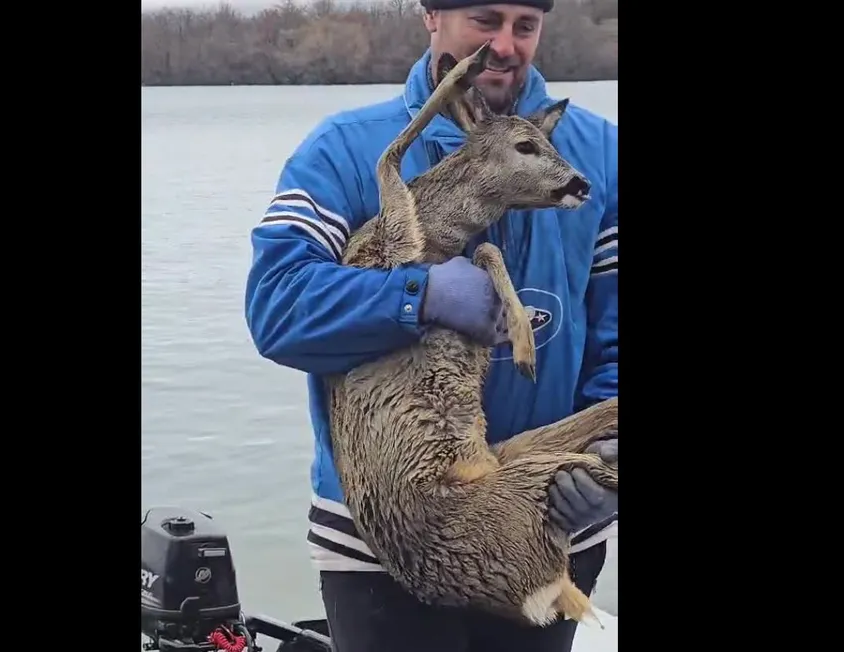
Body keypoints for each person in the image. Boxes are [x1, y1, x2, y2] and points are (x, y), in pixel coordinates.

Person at [243, 1, 618, 650]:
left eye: (524, 26)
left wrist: (607, 458)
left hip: (549, 522)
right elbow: (277, 308)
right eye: (485, 20)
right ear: (431, 16)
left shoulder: (598, 154)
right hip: (384, 546)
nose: (505, 44)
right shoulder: (346, 149)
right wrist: (415, 296)